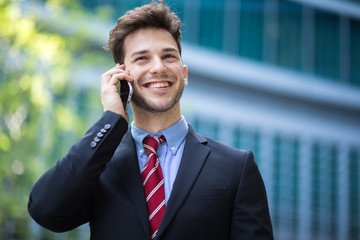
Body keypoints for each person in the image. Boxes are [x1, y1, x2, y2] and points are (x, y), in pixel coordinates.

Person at [28, 1, 273, 239]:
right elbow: (46, 211)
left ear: (184, 74)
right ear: (122, 75)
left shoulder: (237, 168)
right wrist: (111, 119)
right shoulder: (98, 164)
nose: (158, 67)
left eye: (168, 56)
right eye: (142, 58)